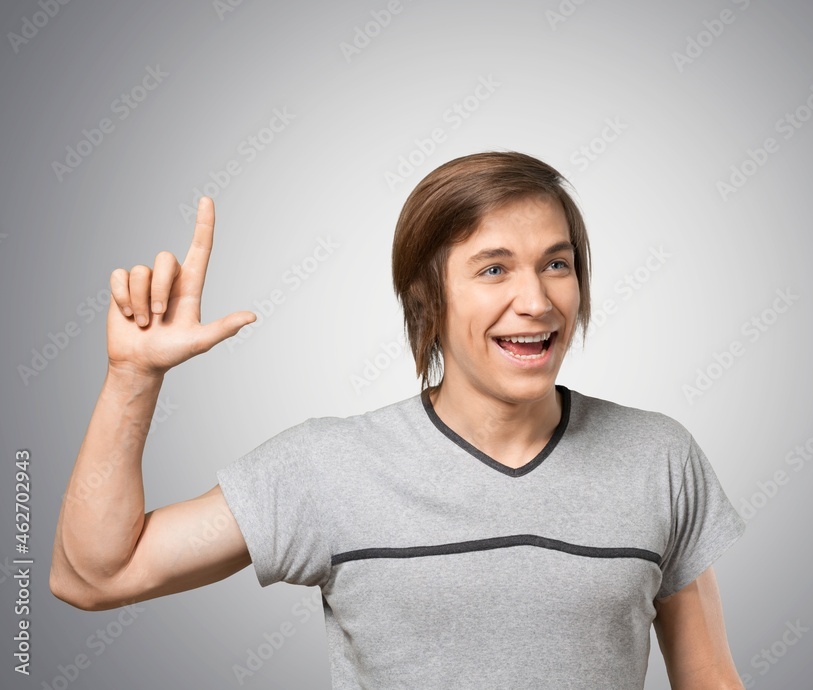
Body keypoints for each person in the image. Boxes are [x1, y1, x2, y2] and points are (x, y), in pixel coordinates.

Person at [51, 151, 746, 688]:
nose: (536, 300)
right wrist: (132, 378)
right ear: (428, 298)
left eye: (556, 264)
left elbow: (710, 679)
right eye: (494, 269)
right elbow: (93, 577)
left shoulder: (658, 457)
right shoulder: (330, 468)